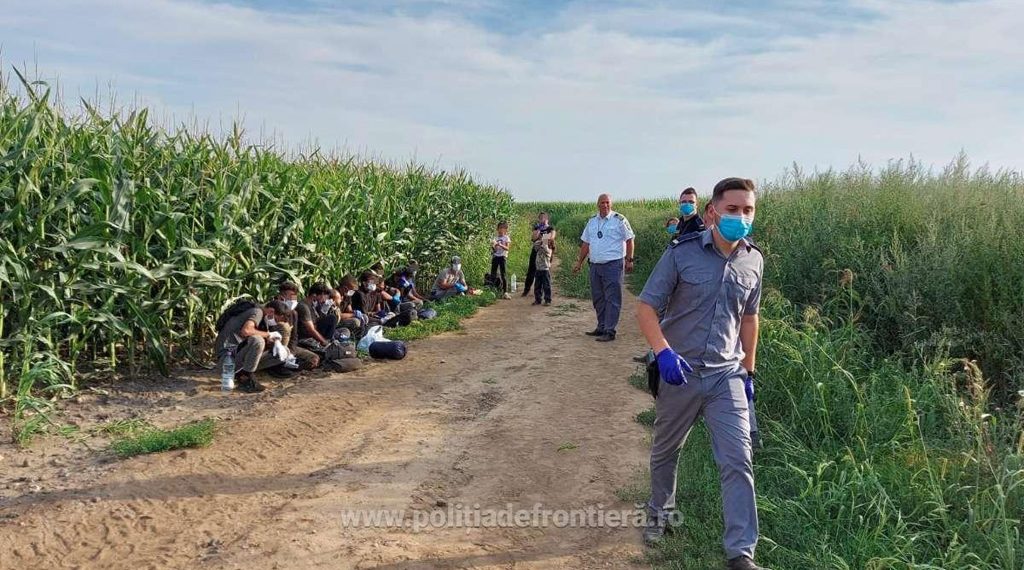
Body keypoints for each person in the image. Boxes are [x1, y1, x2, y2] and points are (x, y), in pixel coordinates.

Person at [635, 177, 765, 570]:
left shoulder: (753, 260)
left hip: (727, 376)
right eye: (732, 210)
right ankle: (660, 510)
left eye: (748, 210)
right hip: (682, 372)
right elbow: (646, 308)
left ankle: (740, 552)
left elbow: (750, 316)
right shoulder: (681, 254)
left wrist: (749, 372)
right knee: (666, 449)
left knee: (738, 459)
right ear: (713, 211)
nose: (740, 217)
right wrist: (664, 354)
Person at [572, 194, 635, 342]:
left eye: (607, 202)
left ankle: (610, 330)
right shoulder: (592, 221)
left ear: (611, 204)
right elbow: (586, 244)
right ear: (598, 204)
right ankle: (601, 326)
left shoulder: (619, 220)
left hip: (613, 264)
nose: (605, 205)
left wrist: (629, 260)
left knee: (612, 298)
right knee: (598, 297)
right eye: (602, 202)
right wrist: (579, 262)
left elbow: (630, 240)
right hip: (595, 265)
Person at [214, 299, 287, 393]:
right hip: (226, 361)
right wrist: (268, 334)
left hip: (236, 357)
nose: (275, 323)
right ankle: (247, 377)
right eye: (276, 319)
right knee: (258, 341)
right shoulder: (257, 312)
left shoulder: (262, 317)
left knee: (284, 351)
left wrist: (275, 342)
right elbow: (246, 331)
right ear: (271, 311)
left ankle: (241, 373)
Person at [273, 282, 320, 370]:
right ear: (281, 297)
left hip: (289, 348)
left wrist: (291, 353)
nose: (293, 299)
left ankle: (292, 366)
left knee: (314, 359)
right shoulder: (272, 310)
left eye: (294, 296)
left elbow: (294, 337)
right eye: (290, 296)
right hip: (274, 347)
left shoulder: (293, 314)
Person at [522, 212, 555, 297]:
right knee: (531, 270)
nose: (542, 220)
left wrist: (545, 237)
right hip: (536, 250)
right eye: (541, 218)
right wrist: (539, 233)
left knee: (545, 271)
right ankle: (527, 289)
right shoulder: (537, 228)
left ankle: (545, 293)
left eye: (544, 218)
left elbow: (552, 237)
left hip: (546, 251)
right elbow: (533, 238)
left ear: (547, 219)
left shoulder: (550, 228)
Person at [296, 282, 337, 347]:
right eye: (324, 296)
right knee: (332, 318)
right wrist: (325, 343)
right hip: (306, 336)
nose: (325, 300)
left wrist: (324, 311)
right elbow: (311, 330)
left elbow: (319, 320)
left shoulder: (313, 304)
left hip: (315, 330)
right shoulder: (304, 307)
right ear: (315, 295)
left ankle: (329, 341)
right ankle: (327, 342)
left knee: (332, 318)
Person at [532, 225, 554, 306]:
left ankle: (547, 300)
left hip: (545, 269)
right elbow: (535, 246)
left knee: (546, 285)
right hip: (538, 269)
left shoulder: (549, 250)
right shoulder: (539, 246)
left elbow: (545, 249)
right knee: (537, 286)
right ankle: (538, 299)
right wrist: (541, 239)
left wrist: (545, 240)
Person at [490, 221, 512, 300]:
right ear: (497, 229)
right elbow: (494, 250)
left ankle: (505, 292)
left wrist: (500, 245)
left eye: (503, 228)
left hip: (502, 257)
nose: (501, 230)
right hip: (496, 256)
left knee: (503, 274)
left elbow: (507, 248)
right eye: (500, 228)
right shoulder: (495, 238)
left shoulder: (506, 238)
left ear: (506, 230)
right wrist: (494, 246)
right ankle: (492, 291)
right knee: (493, 273)